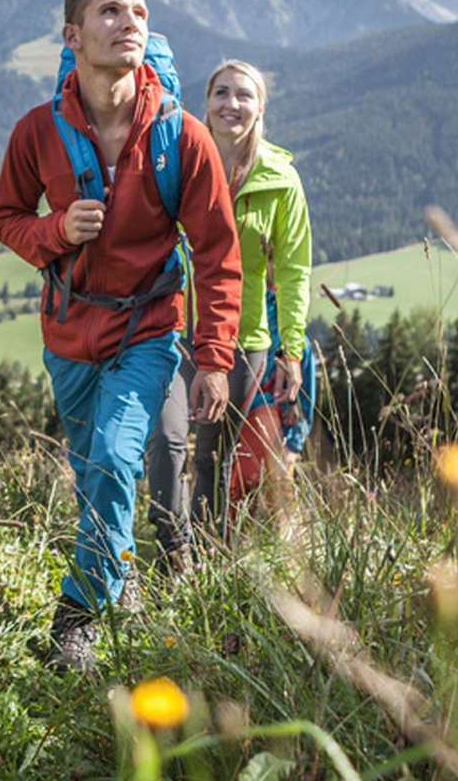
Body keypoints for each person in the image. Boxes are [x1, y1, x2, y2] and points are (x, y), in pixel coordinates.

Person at [0, 0, 241, 674]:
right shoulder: (36, 133)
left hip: (148, 331)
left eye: (138, 11)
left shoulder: (181, 138)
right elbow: (7, 218)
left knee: (112, 457)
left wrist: (214, 356)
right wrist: (58, 231)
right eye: (108, 12)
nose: (128, 21)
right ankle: (120, 567)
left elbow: (219, 253)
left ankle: (75, 621)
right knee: (93, 467)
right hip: (67, 334)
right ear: (72, 37)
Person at [146, 58, 311, 564]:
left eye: (244, 95)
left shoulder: (281, 180)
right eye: (221, 93)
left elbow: (294, 269)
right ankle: (172, 545)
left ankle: (208, 560)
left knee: (214, 456)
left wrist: (292, 349)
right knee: (167, 442)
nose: (231, 104)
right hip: (171, 332)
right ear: (206, 103)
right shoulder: (177, 164)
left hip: (244, 341)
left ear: (261, 107)